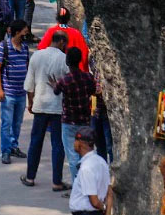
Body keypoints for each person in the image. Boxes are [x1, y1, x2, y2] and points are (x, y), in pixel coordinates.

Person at [22, 30, 69, 191]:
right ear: (62, 42)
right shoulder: (64, 59)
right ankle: (57, 181)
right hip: (57, 106)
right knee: (58, 144)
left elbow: (29, 83)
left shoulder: (37, 56)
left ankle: (30, 177)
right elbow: (69, 82)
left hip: (40, 104)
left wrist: (30, 102)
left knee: (35, 141)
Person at [53, 47, 97, 186]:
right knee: (85, 155)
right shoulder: (87, 77)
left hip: (69, 122)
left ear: (67, 62)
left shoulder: (64, 80)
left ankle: (77, 187)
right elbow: (92, 90)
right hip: (84, 121)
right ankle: (87, 184)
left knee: (72, 157)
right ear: (79, 60)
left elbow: (56, 91)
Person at [0, 19, 31, 163]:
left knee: (17, 123)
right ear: (17, 32)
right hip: (8, 93)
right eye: (24, 32)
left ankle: (14, 146)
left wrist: (30, 95)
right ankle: (5, 150)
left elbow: (28, 68)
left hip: (21, 93)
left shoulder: (25, 48)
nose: (26, 34)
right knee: (6, 123)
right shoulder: (2, 47)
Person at [68, 128, 112, 215]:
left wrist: (103, 207)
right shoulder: (101, 161)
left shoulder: (86, 168)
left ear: (81, 143)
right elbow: (109, 193)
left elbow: (94, 202)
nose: (74, 143)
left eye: (75, 140)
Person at [38, 7, 90, 71]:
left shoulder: (51, 32)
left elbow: (41, 48)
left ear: (57, 18)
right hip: (74, 71)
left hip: (55, 70)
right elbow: (84, 52)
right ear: (68, 18)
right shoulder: (76, 33)